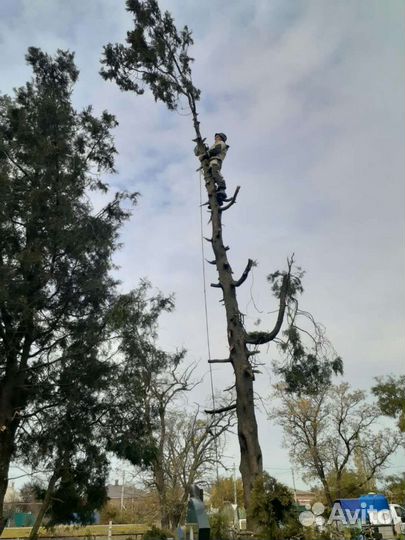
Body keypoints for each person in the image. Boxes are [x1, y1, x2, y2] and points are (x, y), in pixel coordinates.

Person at [194, 132, 229, 204]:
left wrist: (205, 155)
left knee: (215, 173)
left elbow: (216, 150)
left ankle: (222, 188)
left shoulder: (221, 143)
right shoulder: (214, 145)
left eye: (217, 136)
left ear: (221, 138)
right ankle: (216, 198)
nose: (215, 138)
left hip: (215, 161)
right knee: (210, 179)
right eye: (215, 137)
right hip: (210, 162)